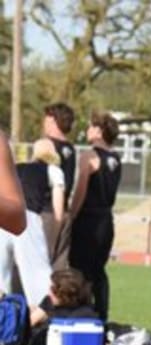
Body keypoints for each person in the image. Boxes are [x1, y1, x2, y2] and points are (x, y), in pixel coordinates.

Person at [67, 111, 122, 322]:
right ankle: (101, 315)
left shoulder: (89, 156)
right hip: (106, 220)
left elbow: (81, 189)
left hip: (88, 220)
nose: (87, 130)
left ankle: (81, 314)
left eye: (90, 126)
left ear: (99, 131)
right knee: (98, 270)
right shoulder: (115, 158)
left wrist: (72, 214)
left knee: (80, 270)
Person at [0, 139, 62, 306]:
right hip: (27, 218)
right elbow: (58, 210)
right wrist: (53, 237)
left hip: (3, 217)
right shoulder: (53, 170)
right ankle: (45, 316)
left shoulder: (15, 169)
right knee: (38, 277)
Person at [26, 269, 96, 345]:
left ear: (64, 294)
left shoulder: (84, 313)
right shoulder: (49, 301)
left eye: (53, 289)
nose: (49, 292)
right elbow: (31, 321)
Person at [42, 102, 76, 269]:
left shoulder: (46, 146)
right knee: (60, 264)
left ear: (53, 121)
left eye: (47, 119)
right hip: (65, 210)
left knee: (41, 260)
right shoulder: (71, 148)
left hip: (48, 211)